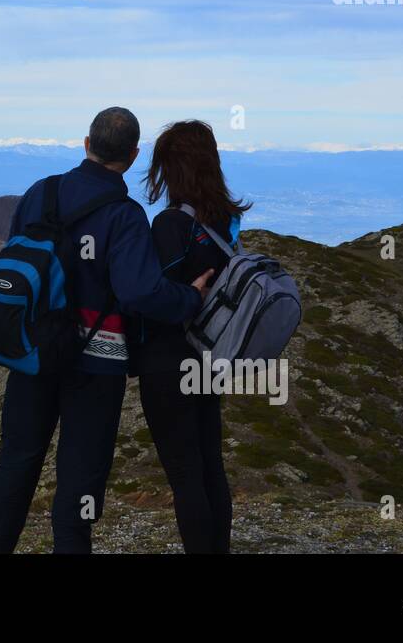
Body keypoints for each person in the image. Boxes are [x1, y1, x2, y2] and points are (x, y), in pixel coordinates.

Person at [0, 108, 214, 554]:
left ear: (86, 144)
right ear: (134, 155)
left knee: (16, 464)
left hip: (32, 354)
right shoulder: (125, 215)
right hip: (93, 365)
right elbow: (140, 293)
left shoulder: (39, 194)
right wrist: (190, 298)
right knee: (79, 483)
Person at [128, 119, 251, 554]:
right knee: (209, 466)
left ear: (172, 169)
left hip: (168, 361)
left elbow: (151, 296)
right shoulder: (224, 222)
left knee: (183, 474)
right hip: (209, 359)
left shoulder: (169, 226)